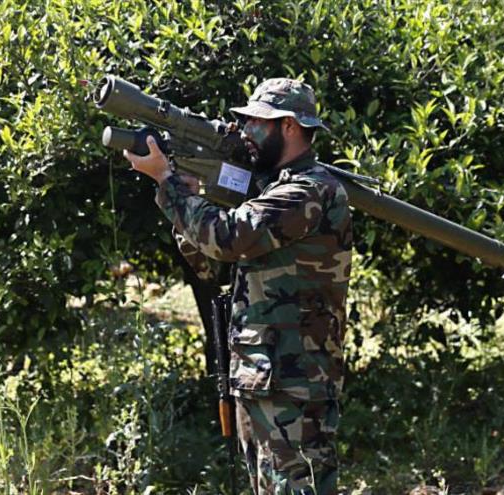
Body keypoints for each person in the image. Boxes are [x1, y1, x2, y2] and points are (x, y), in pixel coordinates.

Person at [124, 79, 352, 494]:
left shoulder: (308, 190)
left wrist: (168, 185)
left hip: (295, 378)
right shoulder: (271, 190)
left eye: (256, 123)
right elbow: (211, 264)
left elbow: (227, 238)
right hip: (261, 373)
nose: (246, 131)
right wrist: (188, 199)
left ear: (289, 127)